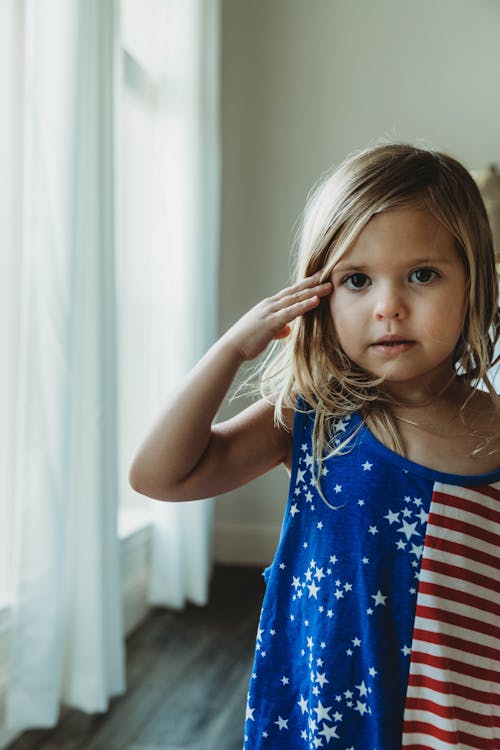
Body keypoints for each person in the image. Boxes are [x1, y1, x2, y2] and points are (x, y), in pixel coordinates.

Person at [129, 143, 500, 749]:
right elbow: (158, 476)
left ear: (474, 281)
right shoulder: (314, 416)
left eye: (423, 275)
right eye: (357, 280)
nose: (389, 307)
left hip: (456, 722)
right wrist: (229, 352)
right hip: (326, 720)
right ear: (320, 298)